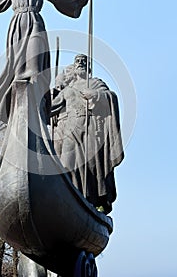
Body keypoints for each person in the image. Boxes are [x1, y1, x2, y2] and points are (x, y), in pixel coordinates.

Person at [51, 54, 124, 214]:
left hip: (90, 130)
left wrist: (96, 95)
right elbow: (50, 109)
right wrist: (49, 95)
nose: (80, 63)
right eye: (77, 61)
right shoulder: (67, 90)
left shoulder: (96, 84)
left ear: (88, 68)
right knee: (66, 166)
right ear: (74, 68)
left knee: (90, 167)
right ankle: (70, 199)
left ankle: (89, 201)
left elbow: (111, 97)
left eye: (84, 62)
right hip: (71, 131)